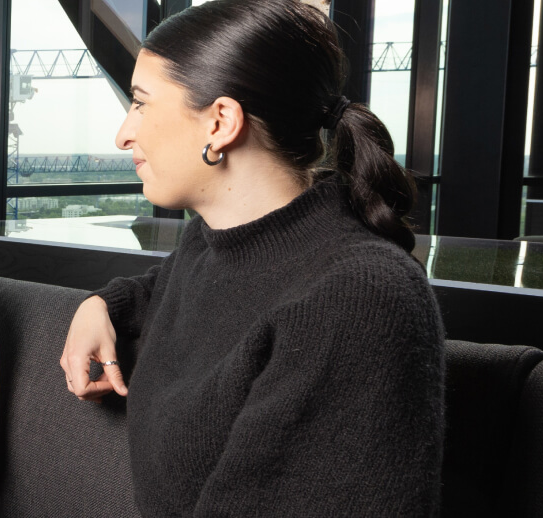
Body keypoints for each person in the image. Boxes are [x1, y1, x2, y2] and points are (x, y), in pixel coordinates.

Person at [60, 0, 446, 515]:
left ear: (220, 122)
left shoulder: (357, 297)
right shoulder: (209, 244)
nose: (124, 134)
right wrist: (100, 305)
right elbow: (163, 289)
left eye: (142, 104)